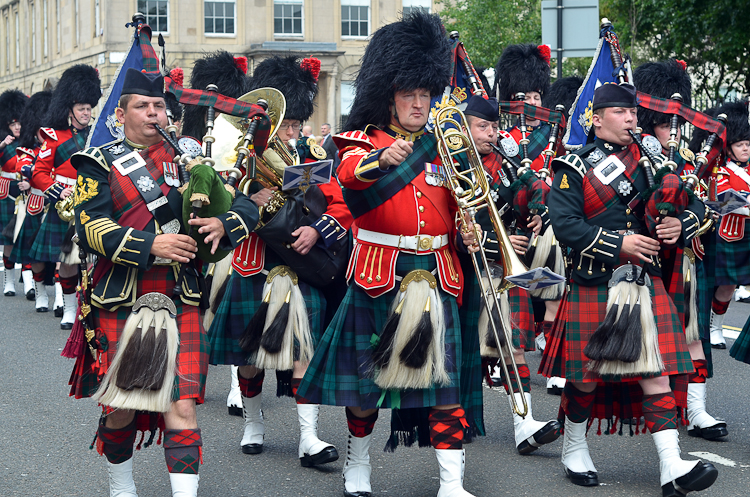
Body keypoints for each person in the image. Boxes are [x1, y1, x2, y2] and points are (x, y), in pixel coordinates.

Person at [297, 12, 481, 497]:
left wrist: (470, 230)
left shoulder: (447, 145)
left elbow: (462, 201)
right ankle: (358, 466)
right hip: (382, 273)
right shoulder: (362, 140)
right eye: (409, 95)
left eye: (425, 95)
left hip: (438, 272)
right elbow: (352, 174)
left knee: (444, 387)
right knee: (365, 392)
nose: (419, 104)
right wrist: (384, 158)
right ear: (389, 96)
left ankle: (451, 483)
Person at [69, 68, 260, 497]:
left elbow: (247, 201)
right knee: (121, 409)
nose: (153, 113)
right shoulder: (97, 162)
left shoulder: (193, 161)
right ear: (121, 115)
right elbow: (88, 227)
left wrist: (222, 223)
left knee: (183, 409)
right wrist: (150, 244)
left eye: (159, 106)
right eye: (142, 106)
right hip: (122, 299)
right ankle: (122, 487)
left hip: (180, 297)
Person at [544, 82, 718, 496]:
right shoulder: (573, 165)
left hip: (643, 281)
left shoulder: (653, 160)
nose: (630, 120)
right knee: (585, 377)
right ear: (597, 119)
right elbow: (565, 224)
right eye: (620, 113)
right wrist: (617, 243)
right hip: (594, 280)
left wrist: (681, 225)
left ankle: (671, 465)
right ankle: (574, 446)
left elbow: (698, 207)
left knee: (655, 372)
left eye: (633, 113)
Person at [208, 54, 352, 468]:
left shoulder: (308, 153)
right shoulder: (238, 152)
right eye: (286, 124)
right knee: (250, 357)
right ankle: (253, 423)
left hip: (301, 264)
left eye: (294, 124)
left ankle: (308, 437)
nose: (291, 131)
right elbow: (222, 199)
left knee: (303, 349)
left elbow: (338, 201)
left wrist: (317, 227)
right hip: (256, 263)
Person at [633, 58, 728, 441]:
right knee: (644, 341)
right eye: (659, 122)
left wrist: (684, 223)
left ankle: (696, 408)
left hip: (687, 260)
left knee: (693, 335)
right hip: (648, 261)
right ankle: (656, 410)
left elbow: (706, 208)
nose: (670, 131)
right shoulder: (633, 160)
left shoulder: (692, 160)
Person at [463, 94, 562, 454]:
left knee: (513, 346)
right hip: (468, 266)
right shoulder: (450, 163)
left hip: (506, 269)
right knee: (463, 351)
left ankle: (524, 424)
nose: (491, 133)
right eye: (482, 126)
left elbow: (528, 193)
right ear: (464, 128)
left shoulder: (505, 162)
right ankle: (453, 418)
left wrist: (537, 209)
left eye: (493, 127)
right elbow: (453, 224)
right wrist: (496, 242)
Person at [29, 65, 100, 325]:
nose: (86, 112)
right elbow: (39, 173)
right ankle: (69, 309)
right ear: (69, 108)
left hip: (93, 203)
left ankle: (88, 309)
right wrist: (59, 191)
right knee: (68, 262)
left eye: (89, 108)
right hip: (65, 205)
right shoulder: (53, 136)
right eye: (82, 107)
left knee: (94, 262)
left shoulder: (97, 135)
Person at [706, 101, 750, 349]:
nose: (746, 148)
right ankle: (715, 326)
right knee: (726, 287)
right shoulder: (722, 172)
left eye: (748, 144)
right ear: (730, 148)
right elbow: (719, 203)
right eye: (740, 144)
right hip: (733, 235)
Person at [8, 90, 53, 301]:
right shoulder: (27, 151)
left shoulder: (58, 146)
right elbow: (24, 167)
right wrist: (27, 179)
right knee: (34, 253)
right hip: (34, 203)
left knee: (63, 256)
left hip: (57, 203)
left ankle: (62, 299)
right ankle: (40, 291)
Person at [0, 89, 28, 296]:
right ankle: (9, 281)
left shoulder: (31, 142)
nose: (17, 127)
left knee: (26, 238)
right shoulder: (4, 144)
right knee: (8, 240)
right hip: (7, 193)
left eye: (20, 123)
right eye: (13, 123)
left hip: (28, 193)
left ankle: (29, 284)